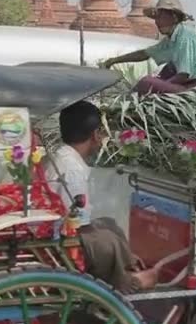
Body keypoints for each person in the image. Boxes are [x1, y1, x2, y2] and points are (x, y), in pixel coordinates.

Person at [44, 101, 158, 294]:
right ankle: (126, 283)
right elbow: (78, 221)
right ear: (96, 135)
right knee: (107, 240)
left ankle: (128, 266)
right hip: (60, 237)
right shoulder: (73, 169)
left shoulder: (62, 157)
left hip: (60, 226)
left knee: (108, 224)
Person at [101, 0, 196, 95]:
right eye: (156, 18)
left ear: (174, 17)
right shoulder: (170, 40)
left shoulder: (186, 36)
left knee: (146, 82)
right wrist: (114, 60)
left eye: (161, 17)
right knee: (166, 70)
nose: (157, 22)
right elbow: (144, 54)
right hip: (188, 84)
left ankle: (131, 98)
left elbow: (184, 74)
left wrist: (159, 87)